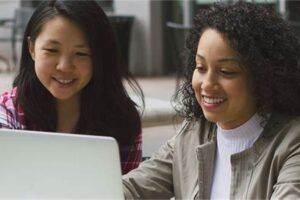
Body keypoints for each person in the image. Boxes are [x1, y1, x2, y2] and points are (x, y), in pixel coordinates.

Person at [122, 1, 300, 199]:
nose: (207, 83)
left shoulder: (292, 143)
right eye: (200, 67)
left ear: (264, 77)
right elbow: (133, 188)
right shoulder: (192, 134)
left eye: (226, 71)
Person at [0, 0, 144, 175]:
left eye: (81, 54)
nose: (64, 66)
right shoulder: (7, 113)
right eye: (52, 50)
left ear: (100, 57)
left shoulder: (122, 121)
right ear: (32, 48)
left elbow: (126, 191)